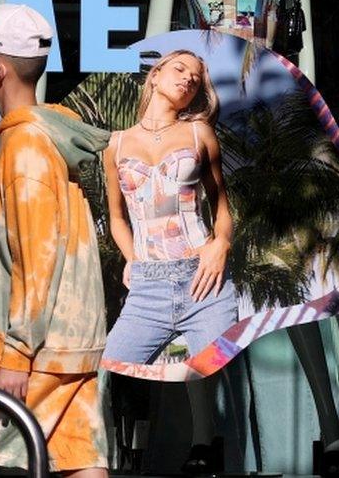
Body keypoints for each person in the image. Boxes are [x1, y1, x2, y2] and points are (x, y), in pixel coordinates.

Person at [0, 4, 110, 478]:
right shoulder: (48, 134)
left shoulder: (24, 146)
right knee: (81, 462)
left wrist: (15, 353)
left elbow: (37, 255)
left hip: (37, 345)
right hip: (72, 337)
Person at [101, 50, 236, 474]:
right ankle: (95, 458)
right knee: (104, 371)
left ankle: (204, 445)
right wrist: (133, 259)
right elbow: (117, 218)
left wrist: (221, 244)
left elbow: (223, 208)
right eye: (180, 69)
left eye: (196, 78)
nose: (189, 79)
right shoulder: (116, 144)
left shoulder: (200, 135)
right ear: (156, 75)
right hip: (148, 283)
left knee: (207, 370)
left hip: (203, 277)